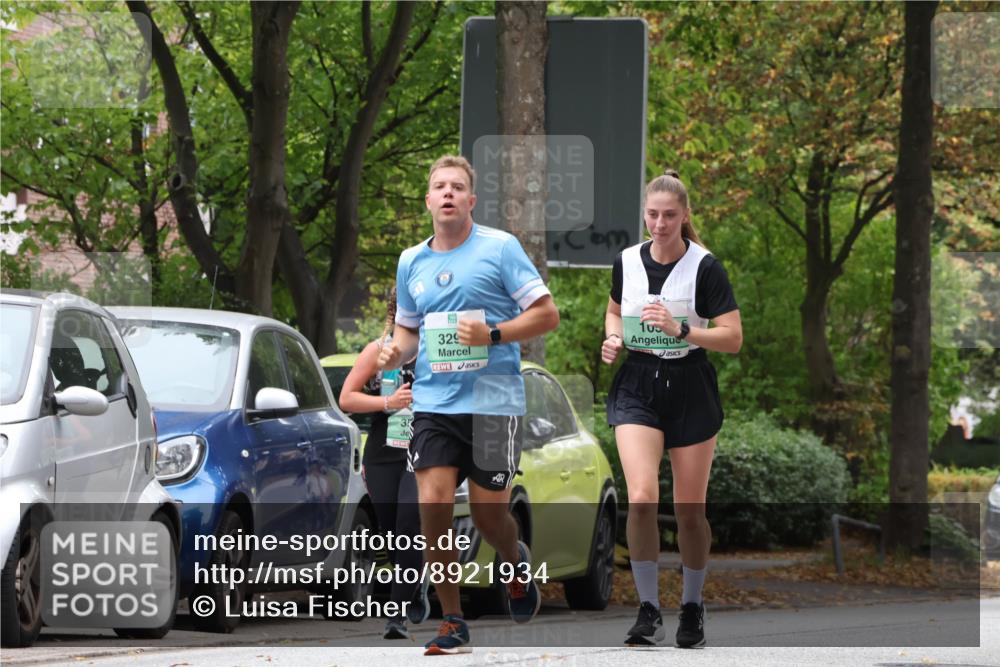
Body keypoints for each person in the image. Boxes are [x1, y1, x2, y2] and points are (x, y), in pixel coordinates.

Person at [378, 155, 560, 655]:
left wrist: (493, 333)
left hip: (494, 400)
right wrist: (396, 350)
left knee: (487, 518)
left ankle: (514, 562)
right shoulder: (411, 260)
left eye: (458, 187)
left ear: (471, 201)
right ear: (429, 200)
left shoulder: (500, 249)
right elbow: (409, 333)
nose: (449, 194)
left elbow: (547, 315)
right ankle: (452, 619)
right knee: (433, 505)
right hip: (435, 401)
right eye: (440, 187)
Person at [601, 169, 742, 648]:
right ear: (645, 215)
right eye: (653, 215)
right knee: (641, 497)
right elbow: (615, 308)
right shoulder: (626, 261)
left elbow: (733, 338)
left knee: (689, 511)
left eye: (669, 216)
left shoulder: (706, 267)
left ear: (685, 216)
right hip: (638, 383)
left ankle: (692, 606)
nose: (660, 224)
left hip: (689, 385)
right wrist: (614, 337)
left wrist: (684, 331)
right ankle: (647, 610)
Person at [339, 287, 426, 640]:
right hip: (382, 451)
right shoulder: (378, 351)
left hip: (422, 449)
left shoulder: (438, 352)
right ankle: (415, 583)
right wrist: (387, 402)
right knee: (391, 532)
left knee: (409, 524)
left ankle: (398, 616)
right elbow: (346, 398)